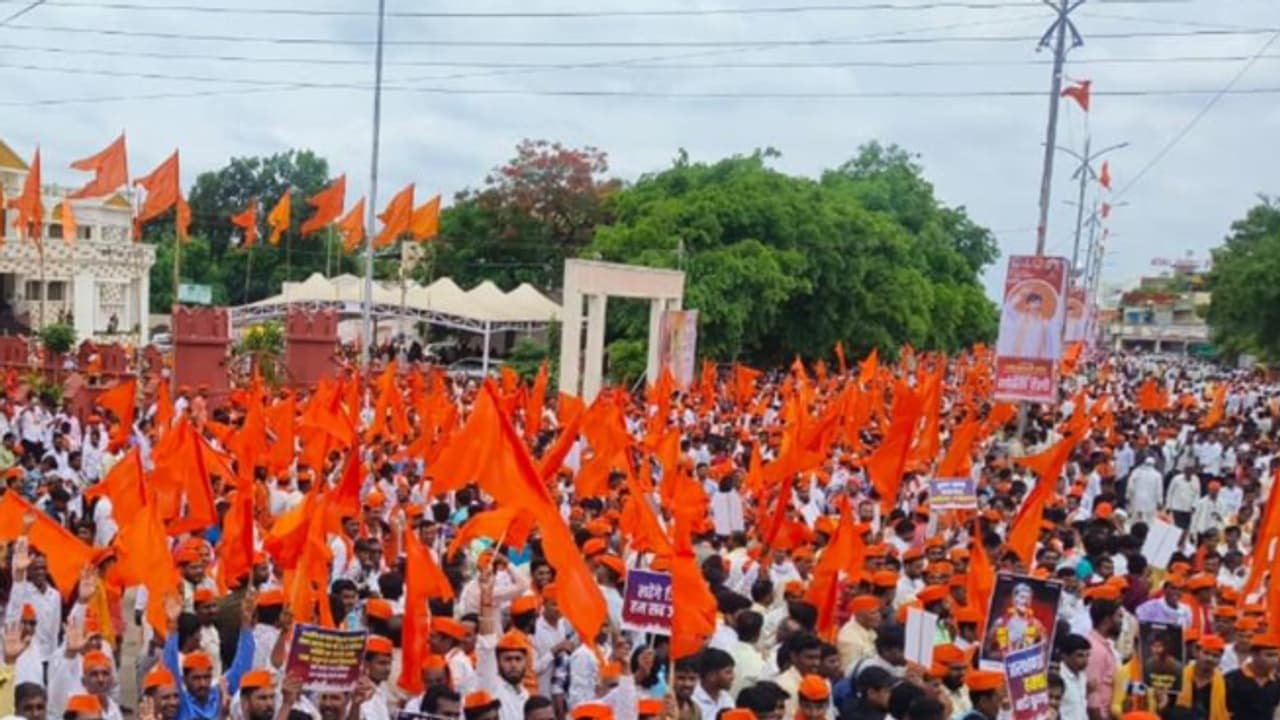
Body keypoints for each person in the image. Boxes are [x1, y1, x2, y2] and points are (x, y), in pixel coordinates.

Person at [984, 582, 1047, 661]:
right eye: (1022, 597)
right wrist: (1003, 656)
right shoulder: (999, 623)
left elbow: (1044, 653)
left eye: (1028, 598)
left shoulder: (1037, 625)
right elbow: (986, 651)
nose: (1025, 601)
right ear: (1014, 600)